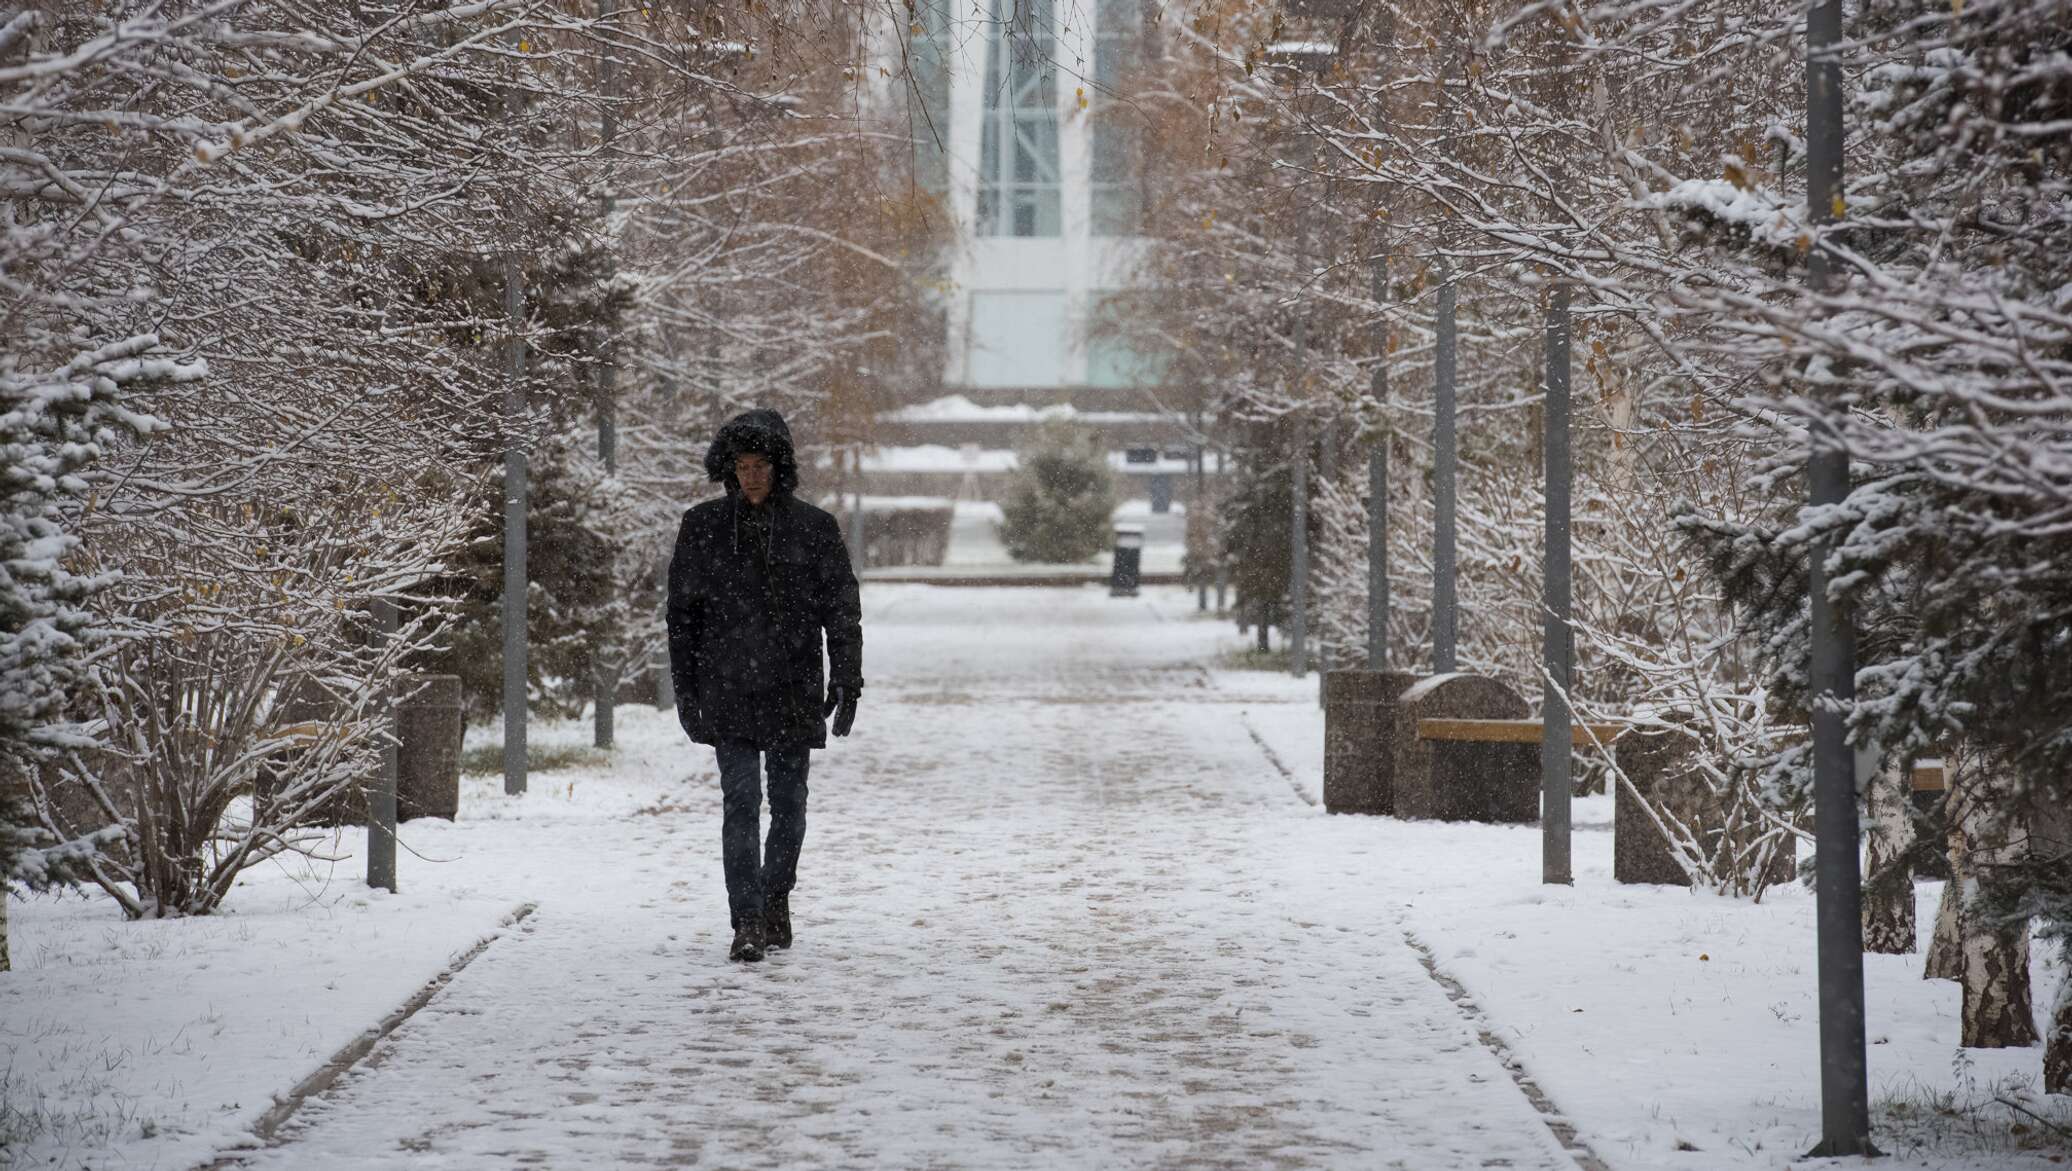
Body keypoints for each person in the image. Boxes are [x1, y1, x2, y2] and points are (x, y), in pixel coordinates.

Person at [666, 409, 863, 963]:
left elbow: (841, 610)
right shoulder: (702, 528)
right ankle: (747, 918)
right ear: (729, 469)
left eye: (761, 465)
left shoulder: (813, 529)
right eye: (742, 465)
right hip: (726, 689)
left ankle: (776, 898)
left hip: (793, 687)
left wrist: (848, 677)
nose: (751, 475)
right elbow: (681, 617)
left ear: (780, 468)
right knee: (741, 801)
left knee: (789, 804)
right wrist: (686, 688)